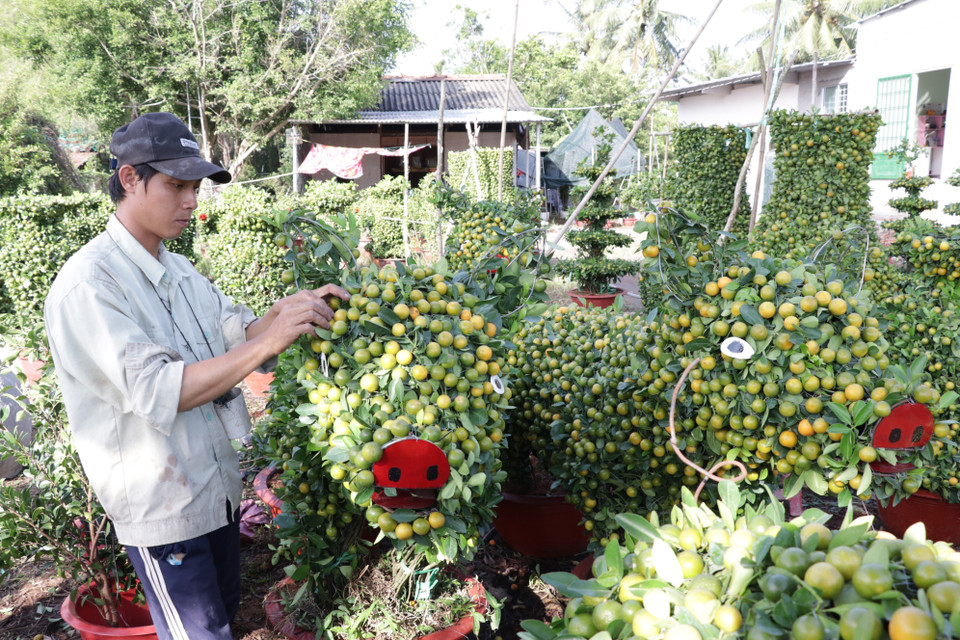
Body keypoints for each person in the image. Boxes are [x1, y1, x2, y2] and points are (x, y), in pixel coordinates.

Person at [43, 111, 348, 640]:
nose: (191, 201)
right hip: (165, 513)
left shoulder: (178, 269)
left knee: (221, 618)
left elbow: (237, 335)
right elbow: (163, 390)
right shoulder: (91, 286)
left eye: (195, 188)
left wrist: (290, 312)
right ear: (129, 178)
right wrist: (270, 339)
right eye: (177, 185)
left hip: (215, 492)